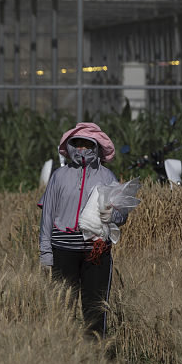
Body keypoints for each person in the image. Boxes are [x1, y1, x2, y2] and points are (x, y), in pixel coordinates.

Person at [38, 122, 128, 339]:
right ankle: (64, 351)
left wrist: (113, 216)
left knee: (95, 307)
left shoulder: (107, 177)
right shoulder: (59, 176)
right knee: (63, 306)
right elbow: (47, 215)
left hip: (97, 251)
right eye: (76, 144)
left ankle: (96, 352)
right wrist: (45, 253)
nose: (81, 149)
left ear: (96, 147)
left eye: (87, 144)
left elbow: (122, 212)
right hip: (63, 250)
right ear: (69, 147)